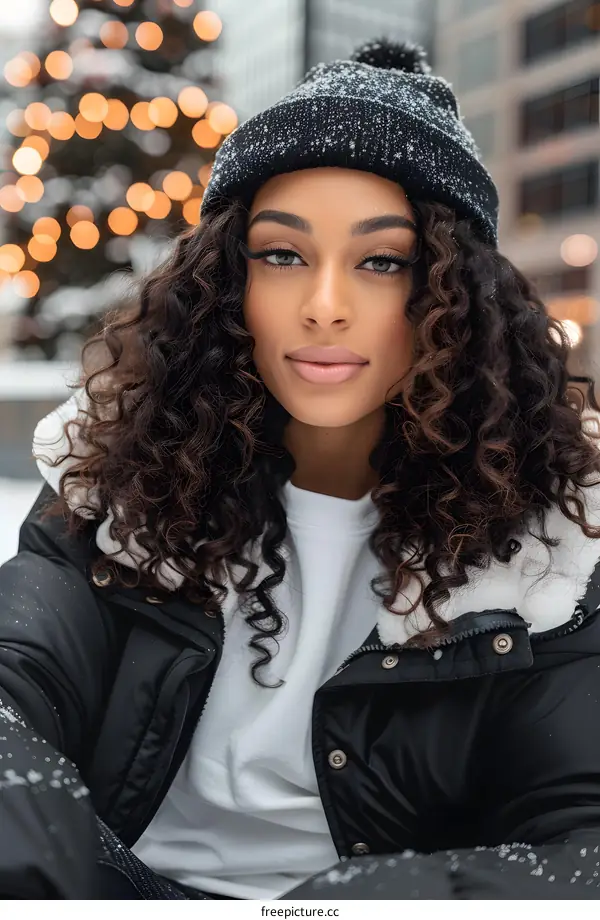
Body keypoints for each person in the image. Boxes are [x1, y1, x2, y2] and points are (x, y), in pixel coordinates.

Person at [2, 38, 600, 901]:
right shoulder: (120, 482)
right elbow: (15, 681)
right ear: (226, 282)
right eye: (282, 254)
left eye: (383, 262)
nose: (325, 306)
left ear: (457, 296)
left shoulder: (548, 548)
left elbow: (581, 844)